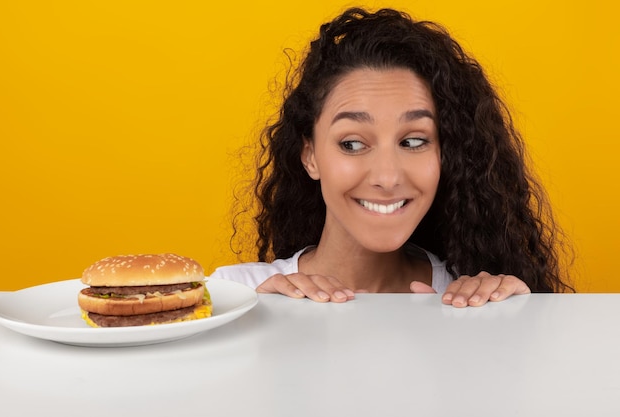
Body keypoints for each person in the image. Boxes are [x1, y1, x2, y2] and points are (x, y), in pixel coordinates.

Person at [211, 7, 574, 307]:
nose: (386, 176)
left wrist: (520, 326)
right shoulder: (235, 294)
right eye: (352, 144)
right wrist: (253, 332)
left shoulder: (473, 300)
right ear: (310, 156)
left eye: (414, 141)